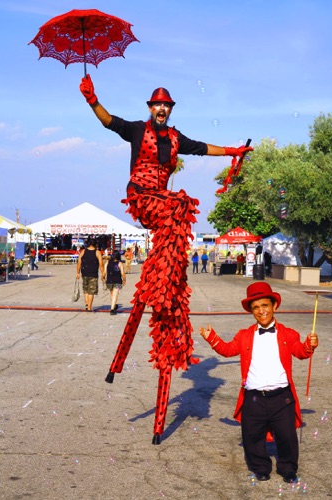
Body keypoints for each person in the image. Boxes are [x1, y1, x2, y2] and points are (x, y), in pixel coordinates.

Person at [79, 75, 253, 442]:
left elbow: (204, 148)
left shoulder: (175, 138)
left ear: (170, 110)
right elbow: (108, 121)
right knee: (182, 208)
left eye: (167, 106)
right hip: (143, 198)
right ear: (150, 108)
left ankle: (166, 285)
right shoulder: (136, 129)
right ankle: (167, 276)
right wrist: (92, 99)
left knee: (176, 223)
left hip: (164, 205)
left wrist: (234, 152)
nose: (162, 109)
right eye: (157, 105)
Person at [199, 282, 318, 484]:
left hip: (282, 397)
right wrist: (213, 338)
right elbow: (228, 350)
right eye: (256, 307)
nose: (261, 311)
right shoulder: (244, 335)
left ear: (274, 307)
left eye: (265, 305)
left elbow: (300, 352)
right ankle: (260, 467)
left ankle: (288, 468)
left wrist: (309, 345)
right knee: (252, 436)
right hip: (253, 398)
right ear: (251, 311)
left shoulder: (288, 333)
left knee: (287, 436)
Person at [76, 237, 105, 312]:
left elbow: (79, 262)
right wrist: (103, 273)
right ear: (95, 244)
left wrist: (78, 272)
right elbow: (101, 264)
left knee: (85, 290)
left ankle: (86, 304)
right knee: (91, 291)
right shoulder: (97, 252)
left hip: (84, 273)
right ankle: (89, 307)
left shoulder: (83, 251)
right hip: (93, 274)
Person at [105, 250, 126, 315]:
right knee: (115, 294)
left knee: (112, 294)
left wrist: (103, 277)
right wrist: (124, 280)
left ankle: (113, 305)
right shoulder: (119, 263)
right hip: (117, 281)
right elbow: (122, 273)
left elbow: (104, 272)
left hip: (109, 281)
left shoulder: (107, 262)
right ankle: (112, 309)